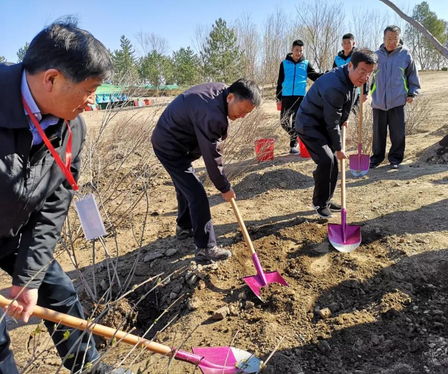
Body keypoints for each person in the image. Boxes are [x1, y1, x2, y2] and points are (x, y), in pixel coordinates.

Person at [0, 21, 129, 374]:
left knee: (59, 291)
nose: (92, 102)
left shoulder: (71, 129)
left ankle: (89, 368)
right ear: (52, 79)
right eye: (90, 90)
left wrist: (28, 279)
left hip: (13, 228)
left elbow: (53, 206)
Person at [151, 79, 261, 263]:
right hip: (169, 147)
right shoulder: (212, 114)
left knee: (185, 186)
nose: (241, 116)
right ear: (231, 97)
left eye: (246, 114)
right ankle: (206, 248)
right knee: (197, 194)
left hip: (176, 142)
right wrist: (224, 187)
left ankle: (184, 226)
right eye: (241, 111)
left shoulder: (220, 93)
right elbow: (212, 156)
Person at [295, 49, 377, 218]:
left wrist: (344, 118)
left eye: (370, 73)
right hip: (309, 124)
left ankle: (326, 199)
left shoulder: (353, 79)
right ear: (351, 66)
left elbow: (347, 102)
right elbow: (332, 121)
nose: (366, 77)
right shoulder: (334, 85)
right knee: (327, 160)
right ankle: (319, 203)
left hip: (325, 122)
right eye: (362, 72)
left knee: (331, 162)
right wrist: (339, 148)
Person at [369, 25, 421, 170]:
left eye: (395, 39)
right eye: (389, 39)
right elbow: (368, 76)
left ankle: (395, 159)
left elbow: (412, 74)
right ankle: (376, 158)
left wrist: (412, 92)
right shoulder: (376, 55)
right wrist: (365, 92)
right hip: (378, 101)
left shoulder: (405, 55)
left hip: (398, 101)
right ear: (384, 38)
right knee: (378, 134)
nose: (392, 42)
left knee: (397, 133)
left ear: (399, 39)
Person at [276, 39, 322, 154]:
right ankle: (294, 136)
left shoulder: (306, 63)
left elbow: (314, 76)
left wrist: (325, 75)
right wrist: (278, 98)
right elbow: (280, 81)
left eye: (301, 51)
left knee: (296, 122)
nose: (298, 53)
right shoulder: (284, 63)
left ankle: (293, 146)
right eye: (296, 50)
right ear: (292, 50)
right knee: (283, 122)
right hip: (286, 96)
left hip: (300, 97)